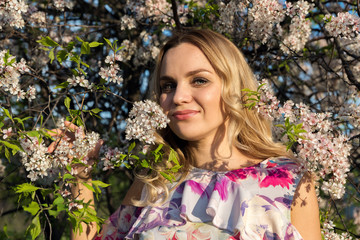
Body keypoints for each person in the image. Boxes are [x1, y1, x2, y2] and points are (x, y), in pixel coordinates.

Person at [69, 28, 321, 239]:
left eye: (199, 80)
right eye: (168, 85)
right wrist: (79, 174)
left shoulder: (290, 182)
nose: (178, 97)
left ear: (233, 87)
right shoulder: (153, 182)